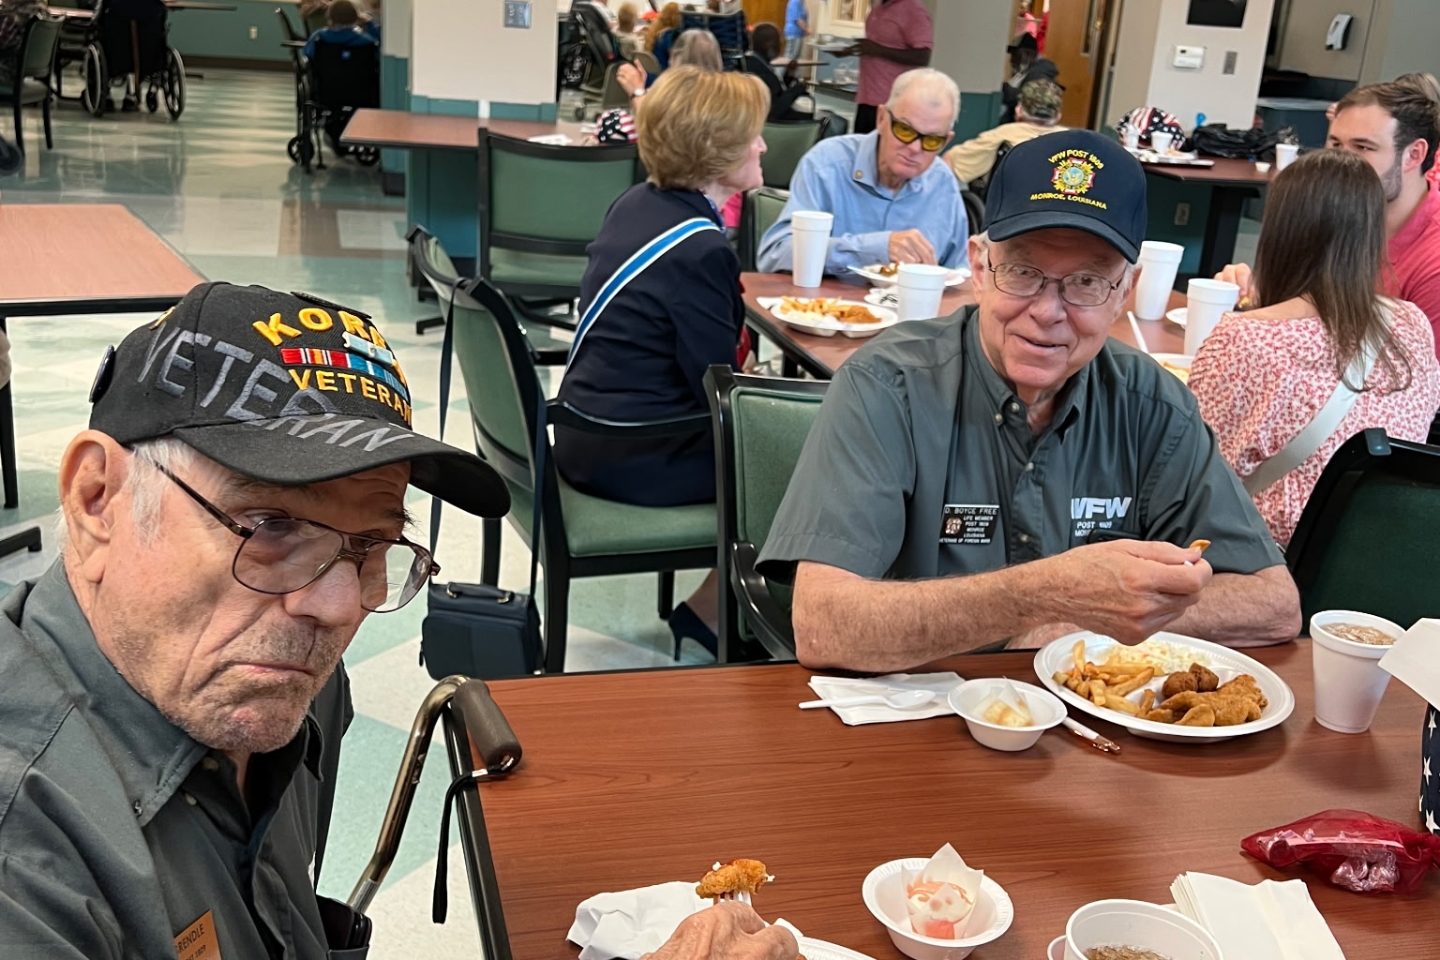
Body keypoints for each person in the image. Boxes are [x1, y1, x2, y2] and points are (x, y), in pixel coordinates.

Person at [0, 282, 517, 955]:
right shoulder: (25, 864)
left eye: (372, 545)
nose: (338, 608)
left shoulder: (292, 686)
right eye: (271, 526)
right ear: (98, 499)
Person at [756, 129, 1301, 672]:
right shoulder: (886, 385)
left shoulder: (1155, 405)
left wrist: (1074, 627)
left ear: (1124, 292)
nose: (1047, 311)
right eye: (1022, 272)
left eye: (1086, 282)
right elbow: (823, 625)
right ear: (979, 267)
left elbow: (1273, 603)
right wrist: (1049, 594)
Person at [554, 66, 768, 654]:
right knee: (798, 458)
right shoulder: (701, 250)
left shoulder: (637, 204)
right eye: (751, 135)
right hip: (634, 453)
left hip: (586, 433)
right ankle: (729, 615)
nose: (762, 145)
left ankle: (714, 607)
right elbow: (718, 391)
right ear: (715, 150)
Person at [1190, 150, 1440, 549]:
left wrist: (1255, 312)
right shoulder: (1413, 325)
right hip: (1374, 554)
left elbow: (1191, 472)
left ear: (1279, 231)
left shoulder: (1246, 338)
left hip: (1261, 560)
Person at [1221, 80, 1440, 355]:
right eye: (1336, 144)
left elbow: (1419, 377)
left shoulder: (1433, 261)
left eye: (1363, 147)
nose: (1341, 163)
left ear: (1414, 155)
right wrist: (1255, 293)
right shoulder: (1326, 213)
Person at [757, 68, 967, 275]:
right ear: (881, 119)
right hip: (829, 298)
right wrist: (874, 248)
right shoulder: (827, 164)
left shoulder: (942, 182)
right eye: (904, 130)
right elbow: (776, 254)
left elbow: (961, 273)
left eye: (932, 140)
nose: (915, 148)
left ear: (946, 141)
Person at [944, 78, 1065, 186]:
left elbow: (950, 163)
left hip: (1008, 203)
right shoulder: (1070, 140)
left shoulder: (1000, 135)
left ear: (1018, 110)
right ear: (1058, 115)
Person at [847, 0, 932, 135]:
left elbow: (922, 56)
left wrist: (879, 50)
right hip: (867, 98)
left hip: (892, 103)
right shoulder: (879, 7)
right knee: (863, 146)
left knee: (884, 147)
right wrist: (854, 50)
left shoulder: (912, 9)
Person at [745, 22, 815, 123]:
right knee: (828, 120)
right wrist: (798, 89)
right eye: (779, 42)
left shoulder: (757, 62)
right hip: (773, 122)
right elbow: (775, 108)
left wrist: (789, 74)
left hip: (777, 117)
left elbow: (777, 91)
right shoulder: (757, 69)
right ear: (769, 44)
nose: (781, 46)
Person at [1000, 32, 1059, 124]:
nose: (1011, 60)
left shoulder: (1038, 74)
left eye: (1014, 55)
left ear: (1023, 55)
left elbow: (1034, 102)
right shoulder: (1028, 71)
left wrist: (1009, 90)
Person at [302, 0, 379, 59]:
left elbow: (308, 54)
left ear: (329, 18)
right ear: (356, 18)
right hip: (359, 75)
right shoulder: (366, 41)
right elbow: (378, 52)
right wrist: (370, 23)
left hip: (326, 75)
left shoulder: (318, 37)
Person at [645, 1, 683, 68]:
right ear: (675, 17)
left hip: (652, 72)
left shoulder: (655, 31)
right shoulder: (669, 36)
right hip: (665, 73)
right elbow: (677, 61)